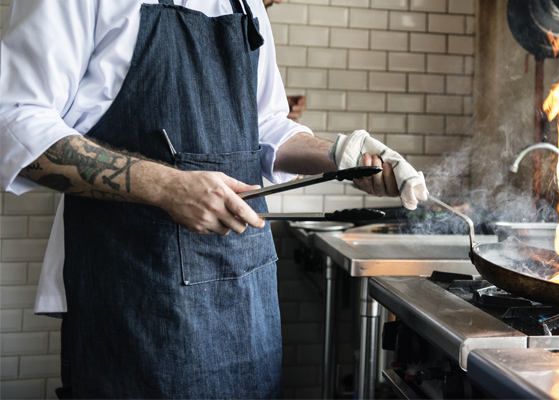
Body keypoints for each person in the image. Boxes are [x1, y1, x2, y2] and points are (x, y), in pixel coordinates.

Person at [0, 1, 425, 398]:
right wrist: (167, 187)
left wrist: (338, 155)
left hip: (247, 298)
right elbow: (15, 118)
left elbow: (267, 125)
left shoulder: (246, 5)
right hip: (134, 297)